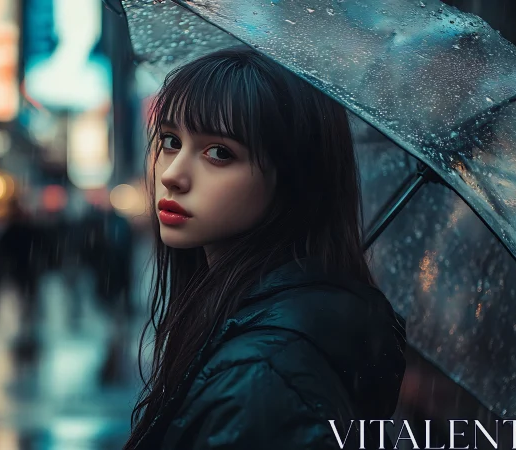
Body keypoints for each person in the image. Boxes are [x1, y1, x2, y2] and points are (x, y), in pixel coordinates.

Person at [123, 46, 407, 450]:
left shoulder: (262, 378)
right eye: (170, 141)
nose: (172, 175)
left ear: (293, 180)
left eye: (219, 153)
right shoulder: (262, 341)